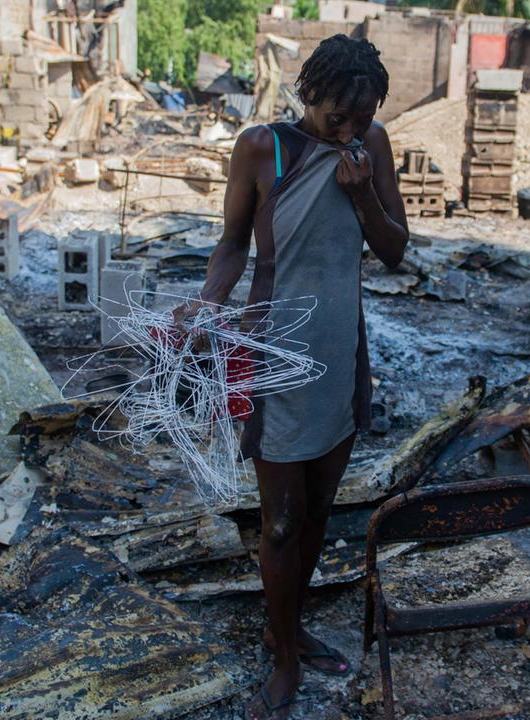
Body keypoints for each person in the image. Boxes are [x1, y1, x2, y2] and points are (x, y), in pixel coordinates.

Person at [173, 34, 409, 720]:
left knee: (316, 513)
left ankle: (293, 626)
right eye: (337, 118)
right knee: (279, 520)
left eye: (360, 120)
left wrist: (363, 196)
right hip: (276, 350)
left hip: (340, 347)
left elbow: (394, 250)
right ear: (308, 94)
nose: (348, 131)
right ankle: (281, 657)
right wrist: (207, 306)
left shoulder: (373, 148)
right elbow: (232, 244)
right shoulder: (261, 148)